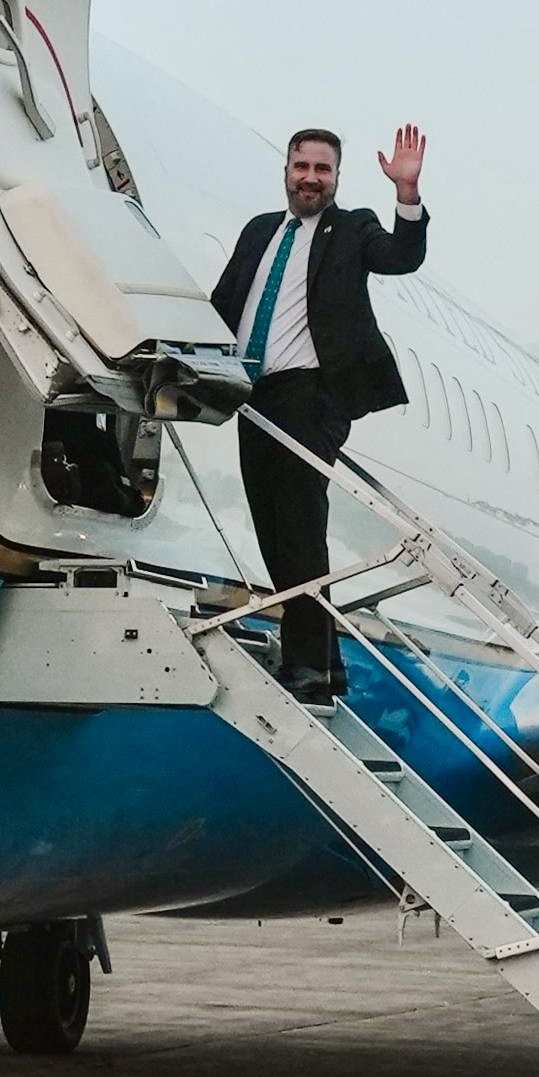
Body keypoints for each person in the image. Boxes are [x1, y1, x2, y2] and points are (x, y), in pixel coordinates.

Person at [210, 126, 428, 705]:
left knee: (302, 529)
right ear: (286, 170)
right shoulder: (260, 231)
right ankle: (325, 663)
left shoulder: (350, 229)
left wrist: (406, 192)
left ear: (337, 178)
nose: (310, 177)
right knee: (273, 530)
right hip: (254, 395)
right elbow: (226, 301)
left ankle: (306, 667)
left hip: (312, 395)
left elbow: (402, 256)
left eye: (322, 169)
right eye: (301, 166)